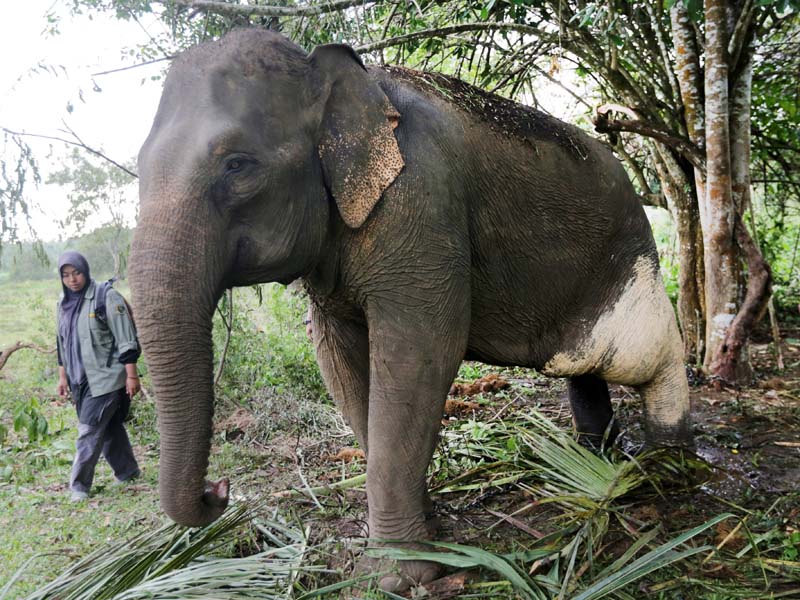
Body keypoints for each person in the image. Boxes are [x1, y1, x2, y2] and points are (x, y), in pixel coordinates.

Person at [55, 251, 141, 502]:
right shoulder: (62, 304)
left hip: (106, 378)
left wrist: (132, 376)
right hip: (79, 380)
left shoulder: (106, 297)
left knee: (89, 430)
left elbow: (126, 339)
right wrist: (62, 378)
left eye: (77, 273)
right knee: (110, 426)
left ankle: (79, 487)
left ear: (86, 271)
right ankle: (128, 471)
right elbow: (61, 344)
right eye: (66, 275)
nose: (72, 280)